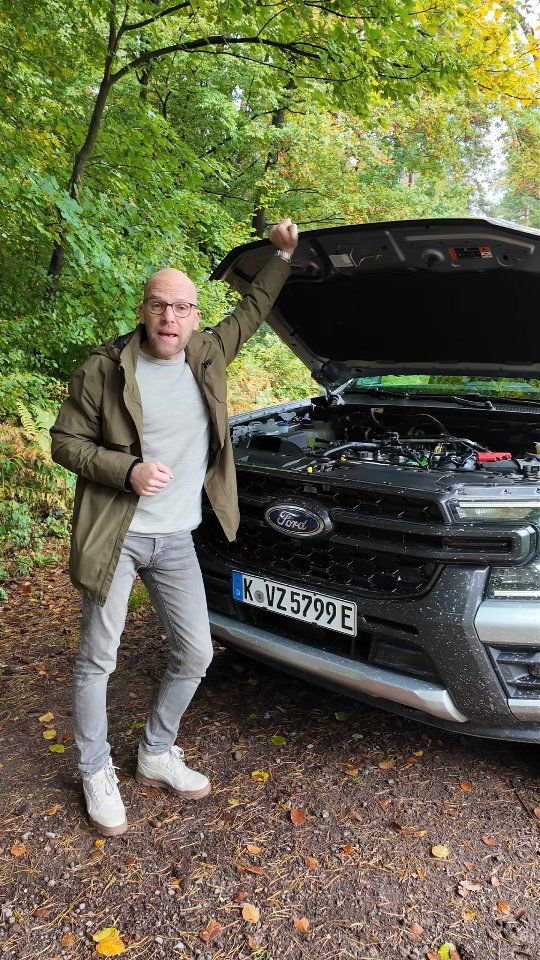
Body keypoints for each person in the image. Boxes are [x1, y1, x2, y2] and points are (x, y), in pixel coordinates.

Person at [50, 218, 299, 836]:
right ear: (143, 309)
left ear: (193, 317)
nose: (170, 317)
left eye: (183, 307)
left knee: (197, 651)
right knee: (97, 659)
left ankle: (156, 750)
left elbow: (254, 307)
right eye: (160, 304)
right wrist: (124, 469)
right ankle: (94, 768)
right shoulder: (103, 370)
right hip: (120, 535)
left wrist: (282, 255)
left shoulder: (208, 353)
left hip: (177, 537)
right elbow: (63, 442)